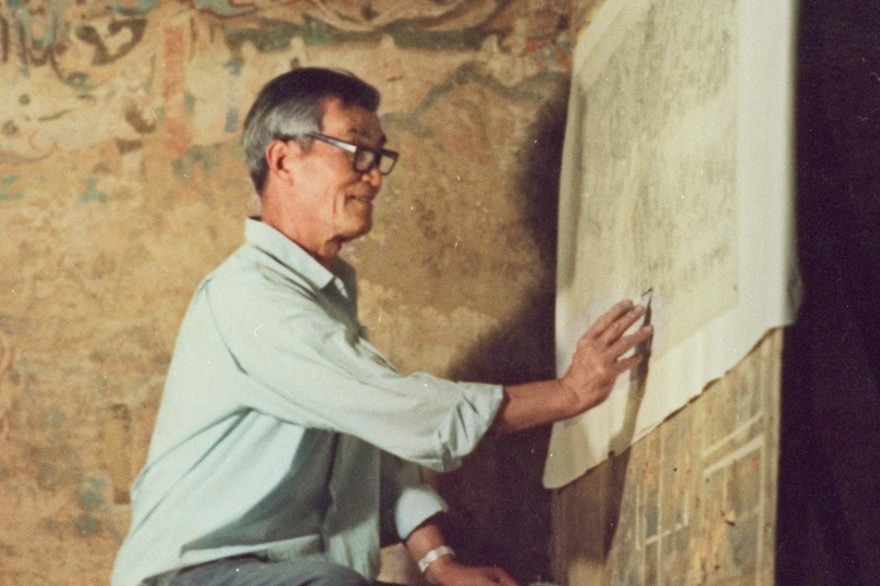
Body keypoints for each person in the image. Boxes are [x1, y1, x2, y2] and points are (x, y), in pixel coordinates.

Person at [110, 67, 652, 586]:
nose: (372, 176)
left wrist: (439, 564)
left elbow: (378, 449)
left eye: (378, 156)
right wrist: (568, 393)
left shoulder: (324, 296)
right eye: (355, 151)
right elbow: (403, 412)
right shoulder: (251, 297)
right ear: (283, 160)